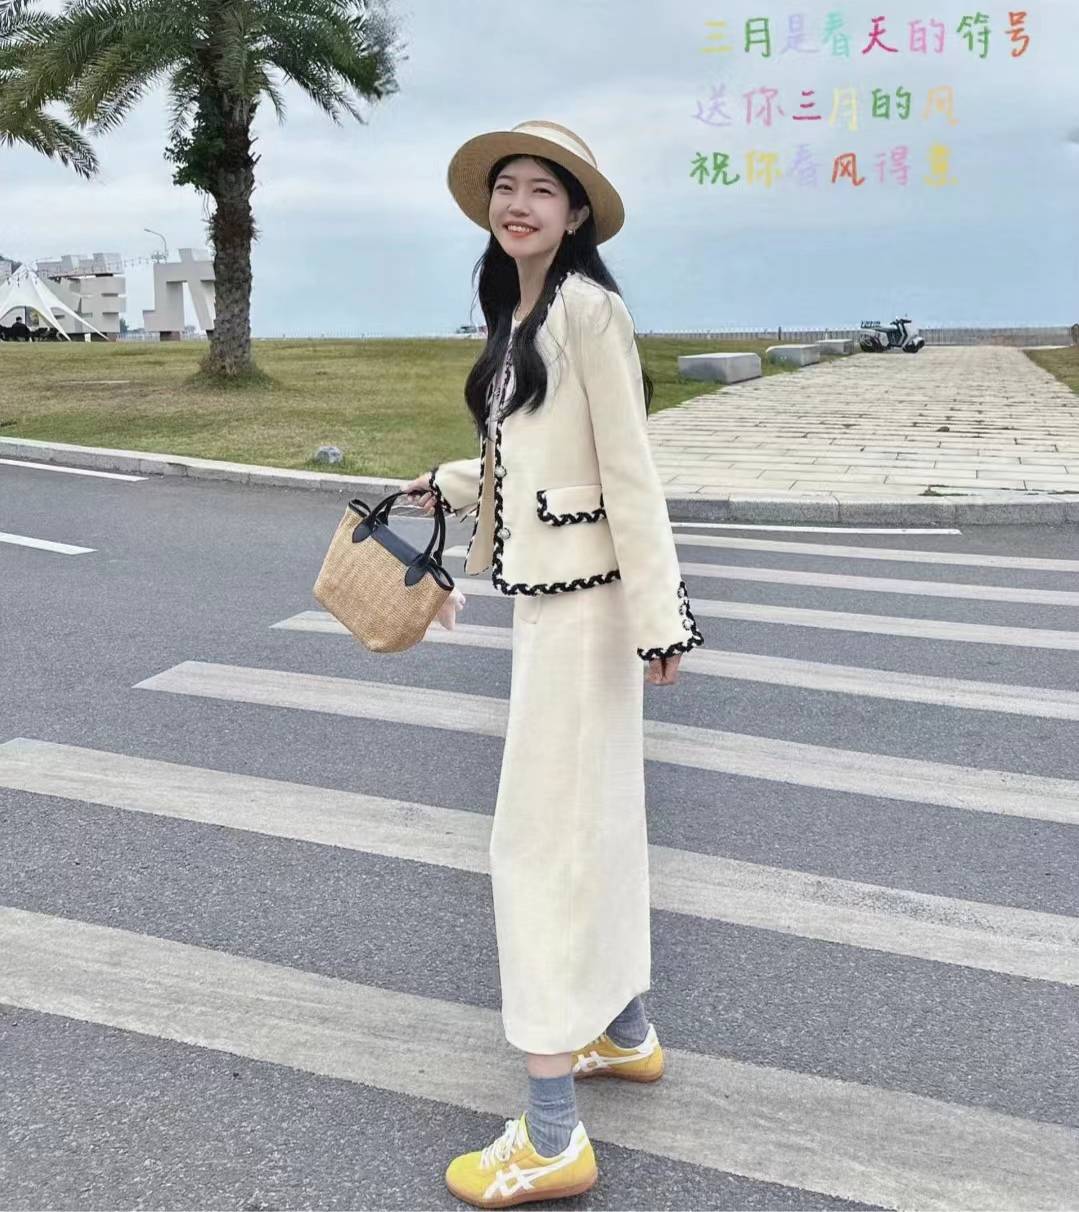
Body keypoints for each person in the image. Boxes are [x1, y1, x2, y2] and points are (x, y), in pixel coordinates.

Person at [402, 119, 704, 1208]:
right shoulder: (522, 311)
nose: (517, 203)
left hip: (588, 611)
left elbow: (629, 469)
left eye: (541, 189)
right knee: (593, 824)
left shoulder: (586, 308)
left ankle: (550, 1134)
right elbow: (531, 451)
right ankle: (621, 1032)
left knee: (535, 845)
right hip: (554, 607)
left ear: (575, 214)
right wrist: (448, 481)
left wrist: (661, 617)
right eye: (505, 187)